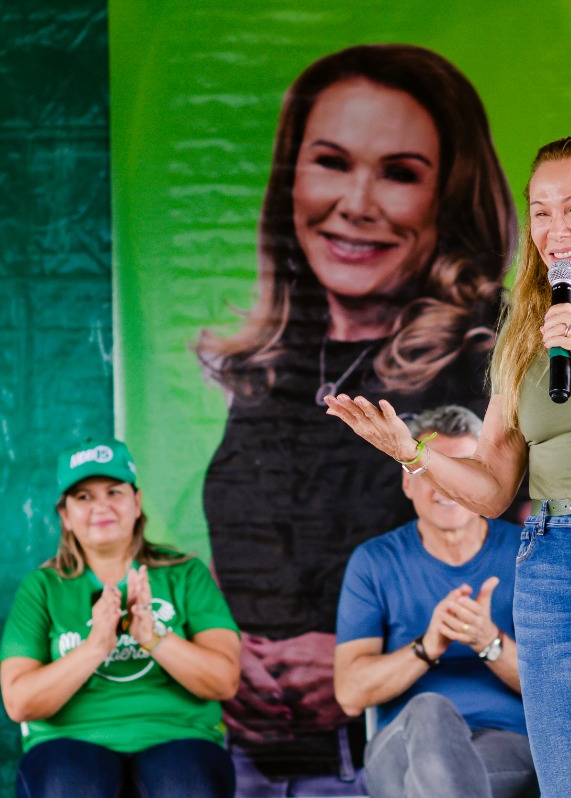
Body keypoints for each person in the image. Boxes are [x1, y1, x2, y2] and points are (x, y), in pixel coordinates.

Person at [326, 134, 571, 796]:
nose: (555, 229)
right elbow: (492, 490)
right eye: (540, 211)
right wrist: (415, 452)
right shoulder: (525, 330)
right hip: (552, 565)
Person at [193, 43, 517, 792]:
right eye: (332, 162)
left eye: (399, 173)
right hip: (252, 745)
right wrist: (228, 647)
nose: (357, 202)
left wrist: (346, 654)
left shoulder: (490, 360)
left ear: (452, 195)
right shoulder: (271, 365)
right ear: (291, 179)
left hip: (391, 737)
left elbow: (502, 544)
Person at [0, 439, 241, 798]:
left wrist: (154, 637)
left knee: (186, 785)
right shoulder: (42, 587)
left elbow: (224, 681)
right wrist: (96, 646)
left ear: (137, 503)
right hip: (69, 740)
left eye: (114, 491)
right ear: (65, 514)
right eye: (84, 497)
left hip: (177, 737)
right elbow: (20, 703)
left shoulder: (185, 574)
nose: (102, 506)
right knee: (69, 784)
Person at [333, 405, 537, 798]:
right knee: (430, 710)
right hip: (399, 748)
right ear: (407, 483)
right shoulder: (375, 562)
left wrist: (487, 641)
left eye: (458, 467)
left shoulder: (528, 553)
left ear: (483, 478)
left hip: (505, 742)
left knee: (439, 782)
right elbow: (350, 694)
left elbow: (566, 687)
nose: (443, 485)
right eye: (426, 469)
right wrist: (427, 647)